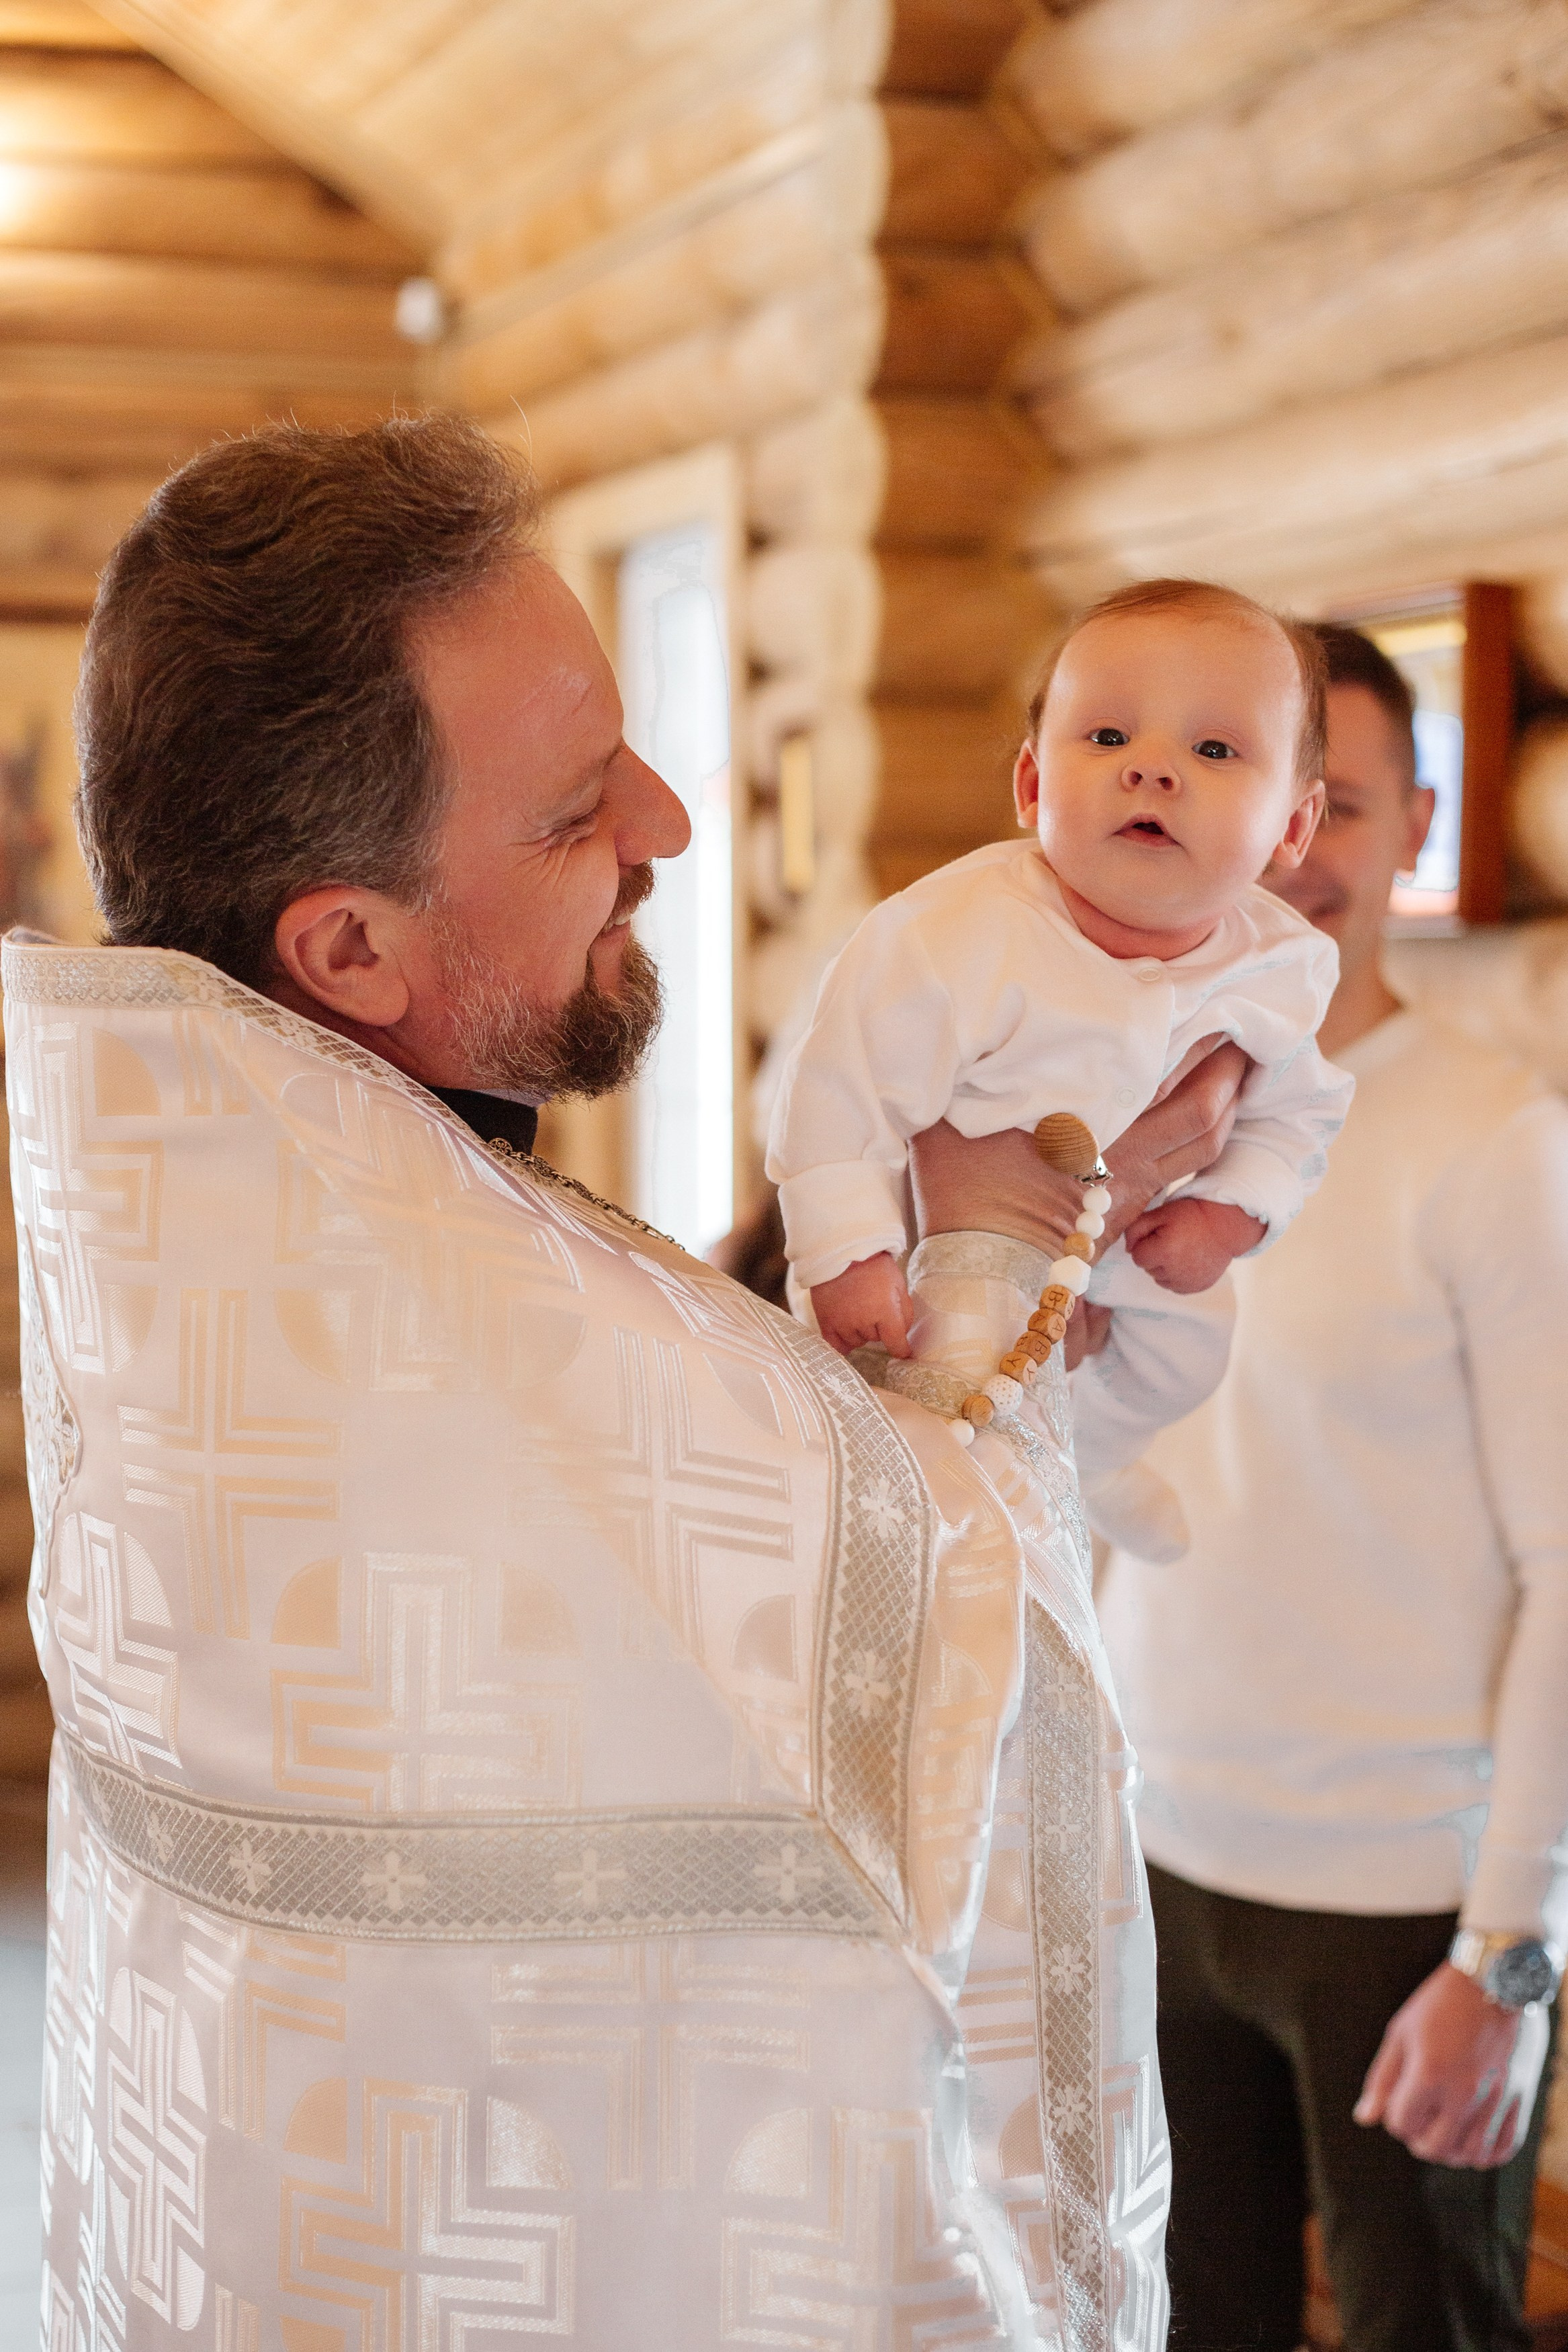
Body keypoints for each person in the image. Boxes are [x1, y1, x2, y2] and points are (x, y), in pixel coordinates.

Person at [9, 414, 1241, 2349]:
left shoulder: (206, 1210)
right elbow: (946, 1612)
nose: (669, 819)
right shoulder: (402, 1366)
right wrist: (1013, 1238)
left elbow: (627, 1410)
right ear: (346, 946)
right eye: (577, 806)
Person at [1096, 622, 1568, 2351]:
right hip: (1155, 1860)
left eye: (1345, 805)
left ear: (1411, 825)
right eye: (1270, 799)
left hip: (1402, 1911)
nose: (1300, 851)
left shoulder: (1492, 1139)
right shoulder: (1126, 1110)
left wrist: (1510, 1949)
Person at [767, 578, 1352, 1554]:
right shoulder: (958, 932)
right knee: (953, 1413)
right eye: (1108, 738)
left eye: (1212, 750)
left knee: (1190, 1351)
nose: (1151, 773)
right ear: (1033, 786)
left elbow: (1299, 1115)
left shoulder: (1280, 966)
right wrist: (848, 1252)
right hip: (965, 1254)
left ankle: (1098, 1460)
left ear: (1292, 825)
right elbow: (842, 1087)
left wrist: (1231, 1209)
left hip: (1147, 1247)